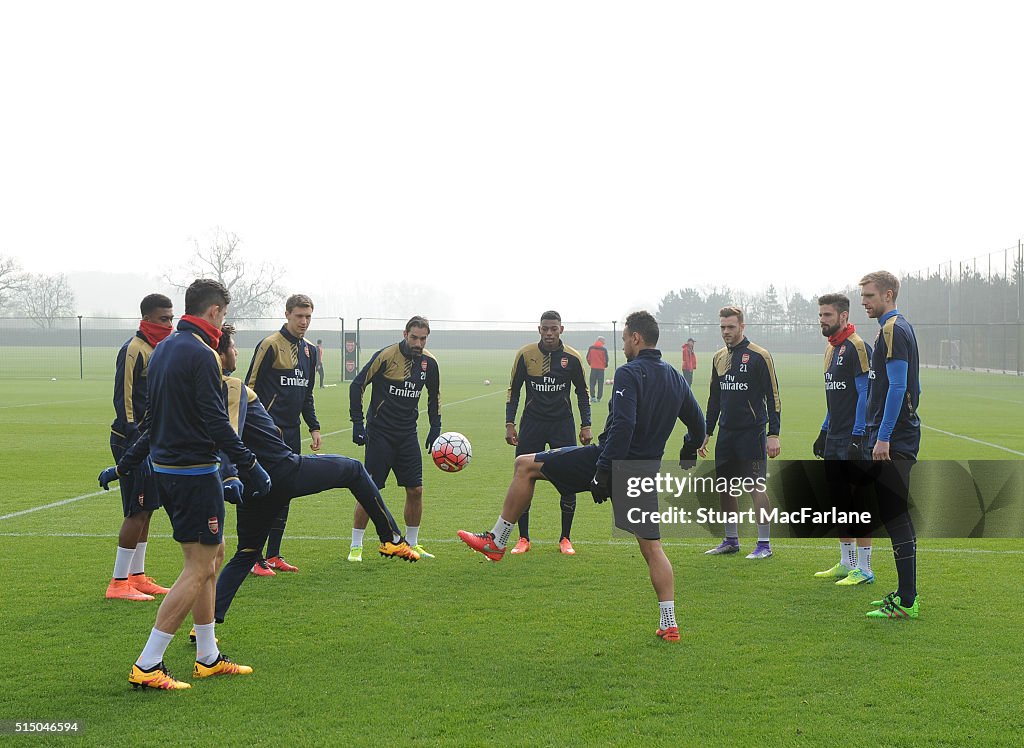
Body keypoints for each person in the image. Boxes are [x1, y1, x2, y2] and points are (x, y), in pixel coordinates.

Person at [458, 311, 706, 642]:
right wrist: (689, 450)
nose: (623, 343)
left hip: (607, 461)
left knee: (524, 465)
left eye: (624, 338)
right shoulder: (675, 377)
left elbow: (624, 426)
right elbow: (699, 424)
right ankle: (670, 622)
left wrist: (603, 471)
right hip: (644, 472)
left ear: (635, 338)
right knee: (652, 548)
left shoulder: (629, 373)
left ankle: (497, 540)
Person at [99, 278, 272, 690]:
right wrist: (250, 466)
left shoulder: (162, 351)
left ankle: (207, 656)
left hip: (172, 473)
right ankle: (148, 664)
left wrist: (126, 465)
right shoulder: (200, 353)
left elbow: (149, 422)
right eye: (224, 314)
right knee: (198, 567)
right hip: (194, 475)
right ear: (213, 312)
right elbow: (215, 421)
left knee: (213, 558)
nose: (223, 321)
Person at [212, 325, 418, 624]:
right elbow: (230, 436)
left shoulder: (200, 395)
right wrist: (229, 474)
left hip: (253, 484)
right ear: (219, 355)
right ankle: (391, 538)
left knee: (245, 553)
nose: (236, 352)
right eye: (232, 347)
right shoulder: (231, 386)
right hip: (281, 471)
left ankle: (203, 627)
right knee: (354, 469)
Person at [348, 315, 441, 561]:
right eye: (414, 337)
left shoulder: (430, 364)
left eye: (423, 339)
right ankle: (356, 546)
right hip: (380, 434)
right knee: (370, 489)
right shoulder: (386, 356)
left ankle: (412, 542)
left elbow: (434, 397)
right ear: (405, 334)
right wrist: (357, 422)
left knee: (416, 489)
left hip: (408, 434)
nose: (418, 343)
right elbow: (357, 385)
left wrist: (435, 427)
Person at [245, 294, 322, 575]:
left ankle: (274, 554)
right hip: (265, 434)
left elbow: (306, 393)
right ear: (287, 314)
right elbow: (247, 388)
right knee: (262, 492)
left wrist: (313, 426)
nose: (304, 322)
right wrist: (257, 424)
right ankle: (254, 557)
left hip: (292, 434)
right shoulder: (269, 345)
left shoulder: (310, 352)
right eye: (299, 316)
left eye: (308, 317)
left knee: (285, 491)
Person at [860, 271, 922, 620]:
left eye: (869, 296)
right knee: (894, 515)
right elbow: (916, 387)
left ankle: (908, 601)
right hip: (897, 433)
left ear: (888, 293)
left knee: (895, 516)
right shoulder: (895, 328)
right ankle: (905, 593)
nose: (864, 302)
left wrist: (884, 436)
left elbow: (899, 386)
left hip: (894, 438)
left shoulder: (893, 329)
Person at [105, 293, 175, 602]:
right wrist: (137, 442)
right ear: (146, 319)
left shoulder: (156, 349)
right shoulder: (133, 350)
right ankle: (118, 583)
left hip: (151, 442)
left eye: (172, 318)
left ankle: (137, 576)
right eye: (163, 319)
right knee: (136, 509)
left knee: (147, 508)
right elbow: (125, 399)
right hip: (131, 441)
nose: (169, 324)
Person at [505, 311, 592, 555]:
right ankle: (523, 538)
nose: (550, 333)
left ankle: (565, 538)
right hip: (532, 424)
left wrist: (586, 424)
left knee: (568, 480)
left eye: (554, 329)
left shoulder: (572, 358)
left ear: (561, 329)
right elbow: (515, 390)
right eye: (545, 329)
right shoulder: (525, 354)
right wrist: (509, 423)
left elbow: (582, 393)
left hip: (562, 424)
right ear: (539, 329)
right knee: (523, 477)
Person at [699, 306, 780, 559]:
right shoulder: (718, 357)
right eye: (722, 327)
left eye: (731, 327)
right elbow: (714, 398)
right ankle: (731, 540)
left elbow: (773, 396)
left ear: (742, 327)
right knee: (725, 487)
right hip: (726, 434)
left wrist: (773, 434)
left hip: (752, 433)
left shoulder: (759, 356)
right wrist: (707, 431)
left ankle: (764, 544)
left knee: (755, 486)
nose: (726, 331)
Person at [811, 293, 874, 585]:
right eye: (821, 314)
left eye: (827, 315)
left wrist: (857, 435)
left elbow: (865, 394)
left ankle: (865, 568)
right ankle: (846, 562)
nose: (822, 320)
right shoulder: (830, 349)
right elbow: (833, 398)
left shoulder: (857, 346)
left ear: (844, 316)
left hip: (853, 438)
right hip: (835, 436)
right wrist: (824, 430)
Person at [586, 335, 609, 402]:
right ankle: (599, 398)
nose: (604, 342)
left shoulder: (591, 348)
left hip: (593, 368)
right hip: (601, 369)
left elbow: (588, 358)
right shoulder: (604, 349)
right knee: (600, 384)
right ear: (601, 341)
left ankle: (593, 397)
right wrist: (605, 365)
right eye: (604, 341)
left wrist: (591, 364)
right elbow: (606, 359)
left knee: (592, 383)